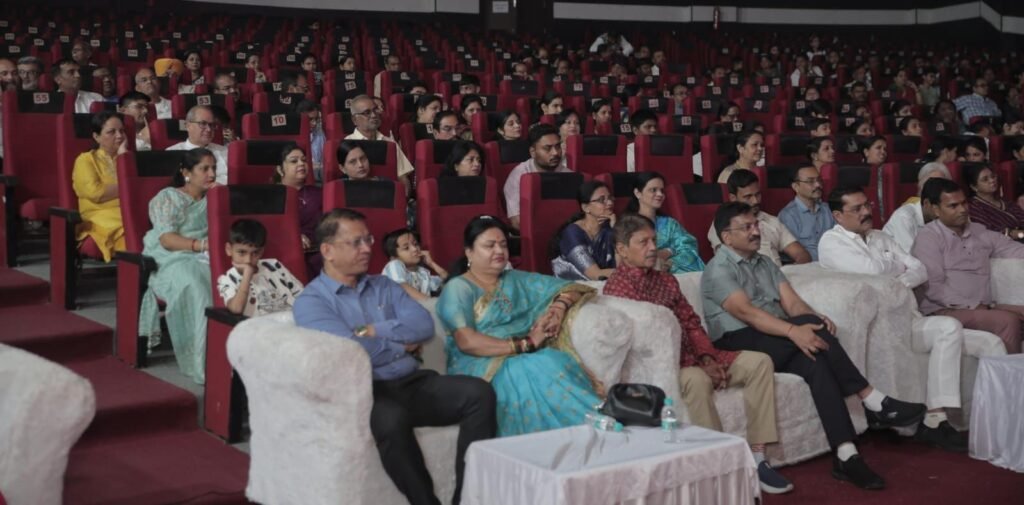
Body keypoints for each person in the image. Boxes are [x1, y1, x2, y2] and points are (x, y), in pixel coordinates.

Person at [703, 201, 927, 490]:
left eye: (756, 225)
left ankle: (846, 453)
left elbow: (792, 303)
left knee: (816, 360)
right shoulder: (718, 269)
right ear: (726, 237)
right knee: (809, 333)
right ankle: (871, 397)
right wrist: (794, 331)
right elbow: (748, 314)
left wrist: (815, 317)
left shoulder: (765, 263)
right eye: (746, 227)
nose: (756, 231)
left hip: (773, 335)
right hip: (738, 341)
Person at [294, 209, 497, 505]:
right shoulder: (311, 301)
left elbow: (423, 325)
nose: (367, 248)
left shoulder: (384, 285)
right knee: (390, 419)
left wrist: (375, 330)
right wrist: (400, 347)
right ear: (327, 251)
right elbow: (349, 351)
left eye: (368, 240)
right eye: (356, 242)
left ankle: (466, 498)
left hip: (411, 382)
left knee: (478, 393)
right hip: (362, 392)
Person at [603, 214, 793, 494]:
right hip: (662, 369)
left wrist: (707, 358)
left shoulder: (666, 280)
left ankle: (758, 457)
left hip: (696, 357)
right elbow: (647, 347)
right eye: (643, 242)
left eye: (654, 240)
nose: (653, 248)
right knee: (696, 379)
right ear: (621, 249)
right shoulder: (617, 289)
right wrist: (701, 366)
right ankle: (718, 466)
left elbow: (691, 323)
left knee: (759, 362)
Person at [819, 187, 1003, 452]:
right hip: (878, 328)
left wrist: (898, 279)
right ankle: (934, 422)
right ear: (838, 215)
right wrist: (896, 266)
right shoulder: (831, 242)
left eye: (867, 205)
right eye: (857, 209)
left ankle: (942, 419)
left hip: (907, 317)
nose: (866, 212)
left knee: (957, 330)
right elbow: (871, 272)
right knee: (947, 326)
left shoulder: (880, 236)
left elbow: (919, 269)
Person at [437, 215, 598, 437]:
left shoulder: (515, 279)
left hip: (525, 356)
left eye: (503, 244)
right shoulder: (459, 287)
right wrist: (526, 343)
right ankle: (569, 438)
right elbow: (467, 341)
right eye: (489, 245)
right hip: (479, 363)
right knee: (529, 370)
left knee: (553, 360)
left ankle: (591, 431)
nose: (499, 251)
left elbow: (570, 287)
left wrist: (558, 307)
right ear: (469, 252)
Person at [912, 178, 1024, 354]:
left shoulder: (979, 231)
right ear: (935, 209)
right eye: (953, 206)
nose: (962, 210)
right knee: (1007, 322)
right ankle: (1005, 371)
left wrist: (985, 307)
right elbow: (933, 287)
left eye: (964, 203)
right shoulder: (928, 237)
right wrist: (974, 305)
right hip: (944, 311)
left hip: (986, 307)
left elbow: (1013, 249)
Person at [139, 148, 218, 384]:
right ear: (186, 172)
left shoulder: (215, 197)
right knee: (197, 286)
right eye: (204, 169)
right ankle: (203, 361)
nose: (212, 174)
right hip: (171, 256)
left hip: (209, 254)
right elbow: (167, 239)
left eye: (214, 168)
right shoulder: (168, 198)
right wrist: (200, 246)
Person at [710, 170, 811, 266]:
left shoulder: (772, 221)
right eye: (748, 197)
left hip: (780, 274)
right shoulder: (724, 224)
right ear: (733, 198)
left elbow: (801, 254)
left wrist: (791, 271)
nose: (755, 201)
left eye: (757, 194)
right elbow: (728, 262)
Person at [72, 111, 129, 262]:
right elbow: (96, 193)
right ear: (96, 137)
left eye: (122, 131)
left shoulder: (129, 158)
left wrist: (124, 158)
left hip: (128, 211)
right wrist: (128, 188)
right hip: (99, 216)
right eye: (111, 132)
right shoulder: (85, 160)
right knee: (130, 230)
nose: (119, 136)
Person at [218, 219, 304, 317]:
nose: (248, 260)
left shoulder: (273, 265)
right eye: (242, 252)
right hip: (262, 324)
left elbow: (302, 293)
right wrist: (247, 275)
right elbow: (236, 309)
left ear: (262, 251)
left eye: (255, 253)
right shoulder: (227, 279)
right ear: (229, 249)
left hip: (294, 318)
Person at [628, 172, 703, 272]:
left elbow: (689, 247)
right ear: (637, 193)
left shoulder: (669, 224)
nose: (660, 194)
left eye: (662, 191)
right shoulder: (628, 225)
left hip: (675, 272)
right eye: (653, 190)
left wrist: (669, 259)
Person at [504, 124, 572, 230]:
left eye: (557, 146)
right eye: (547, 148)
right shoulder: (519, 176)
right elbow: (517, 222)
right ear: (533, 152)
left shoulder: (569, 176)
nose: (555, 153)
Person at [346, 95, 414, 195]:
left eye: (375, 110)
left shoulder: (389, 143)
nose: (374, 115)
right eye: (367, 113)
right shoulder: (348, 143)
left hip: (390, 197)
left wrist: (403, 199)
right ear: (354, 120)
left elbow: (402, 177)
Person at [274, 143, 323, 280]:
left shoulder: (320, 193)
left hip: (319, 254)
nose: (301, 163)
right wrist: (294, 236)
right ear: (280, 169)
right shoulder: (272, 196)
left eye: (304, 160)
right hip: (284, 256)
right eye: (294, 161)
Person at [551, 181, 616, 280]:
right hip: (575, 286)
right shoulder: (573, 233)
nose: (610, 203)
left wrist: (616, 229)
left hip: (609, 282)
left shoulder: (610, 227)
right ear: (586, 208)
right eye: (601, 200)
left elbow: (624, 263)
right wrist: (631, 273)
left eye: (610, 198)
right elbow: (596, 275)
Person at [778, 165, 835, 261]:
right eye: (810, 181)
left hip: (834, 262)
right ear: (796, 187)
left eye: (819, 180)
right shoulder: (788, 216)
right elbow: (793, 255)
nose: (818, 185)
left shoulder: (828, 209)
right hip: (807, 266)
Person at [166, 105, 229, 185]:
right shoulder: (171, 153)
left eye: (211, 125)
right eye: (203, 124)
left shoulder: (225, 151)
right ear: (188, 126)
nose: (209, 129)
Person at [381, 228, 448, 302]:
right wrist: (432, 303)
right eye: (406, 248)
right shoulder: (394, 265)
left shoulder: (422, 272)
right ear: (394, 257)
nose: (415, 249)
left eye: (415, 244)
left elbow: (449, 282)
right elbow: (401, 287)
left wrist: (432, 264)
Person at [964, 164, 1024, 238]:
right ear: (974, 187)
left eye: (993, 176)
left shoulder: (1006, 202)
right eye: (985, 179)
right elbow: (987, 232)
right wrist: (1017, 234)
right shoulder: (974, 207)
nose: (992, 180)